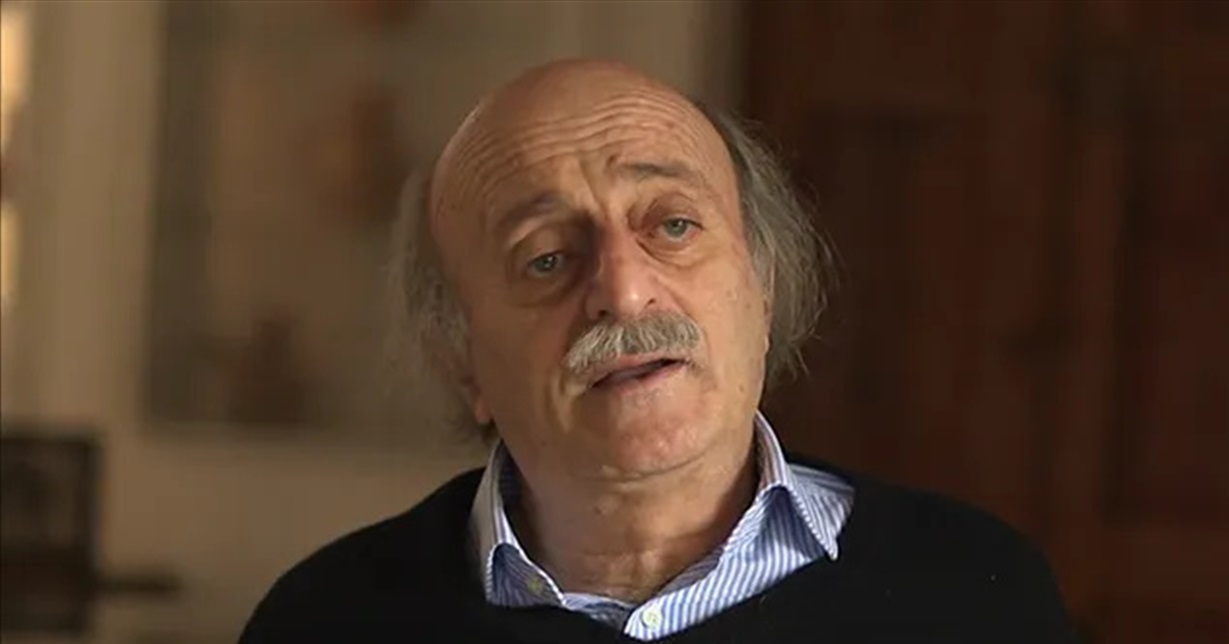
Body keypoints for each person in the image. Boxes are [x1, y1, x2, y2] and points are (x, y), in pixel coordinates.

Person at [240, 59, 1078, 643]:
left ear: (763, 287)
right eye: (546, 257)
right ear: (462, 357)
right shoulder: (327, 622)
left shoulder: (976, 597)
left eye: (673, 225)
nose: (625, 290)